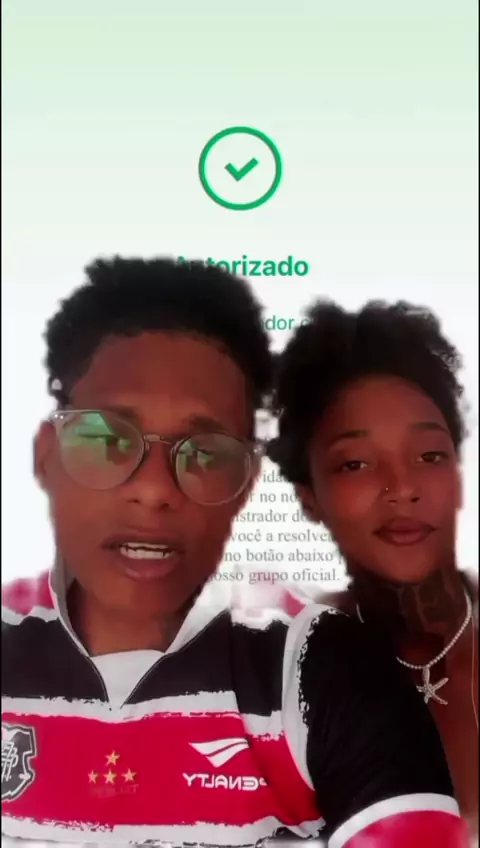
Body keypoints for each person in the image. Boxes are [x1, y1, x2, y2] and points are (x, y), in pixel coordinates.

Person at [1, 260, 469, 848]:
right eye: (105, 438)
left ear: (245, 484)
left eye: (206, 452)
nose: (155, 488)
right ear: (47, 454)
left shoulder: (320, 664)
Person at [267, 298, 478, 840]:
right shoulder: (285, 678)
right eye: (355, 463)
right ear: (309, 498)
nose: (402, 488)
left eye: (429, 455)